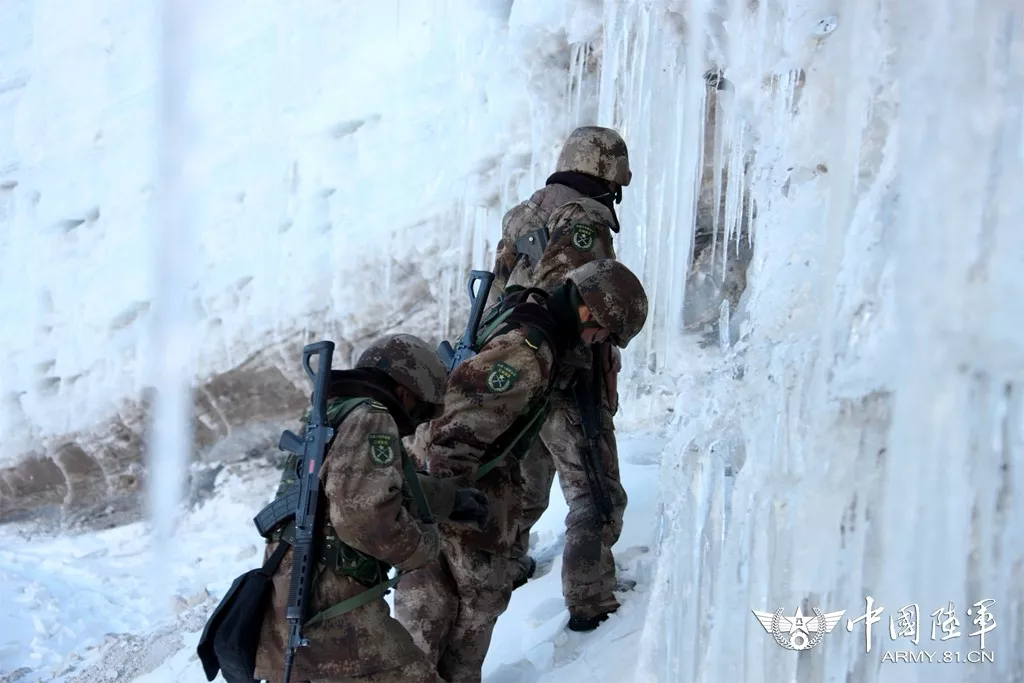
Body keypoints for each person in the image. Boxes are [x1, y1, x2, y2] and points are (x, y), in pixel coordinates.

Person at [395, 259, 649, 682]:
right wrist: (450, 503)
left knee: (435, 612)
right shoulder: (530, 352)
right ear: (588, 310)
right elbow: (450, 431)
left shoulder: (532, 314)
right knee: (463, 610)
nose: (599, 342)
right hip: (459, 493)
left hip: (450, 490)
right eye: (603, 333)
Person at [252, 334, 489, 683]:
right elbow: (365, 518)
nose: (416, 422)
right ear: (405, 390)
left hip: (291, 599)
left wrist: (450, 499)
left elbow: (373, 483)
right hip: (334, 615)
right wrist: (427, 547)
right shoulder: (372, 418)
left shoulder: (333, 413)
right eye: (422, 408)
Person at [488, 125, 635, 632]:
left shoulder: (524, 212)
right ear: (607, 171)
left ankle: (503, 571)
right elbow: (578, 299)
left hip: (516, 372)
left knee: (525, 487)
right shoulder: (584, 218)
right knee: (595, 493)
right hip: (565, 375)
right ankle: (590, 603)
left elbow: (497, 296)